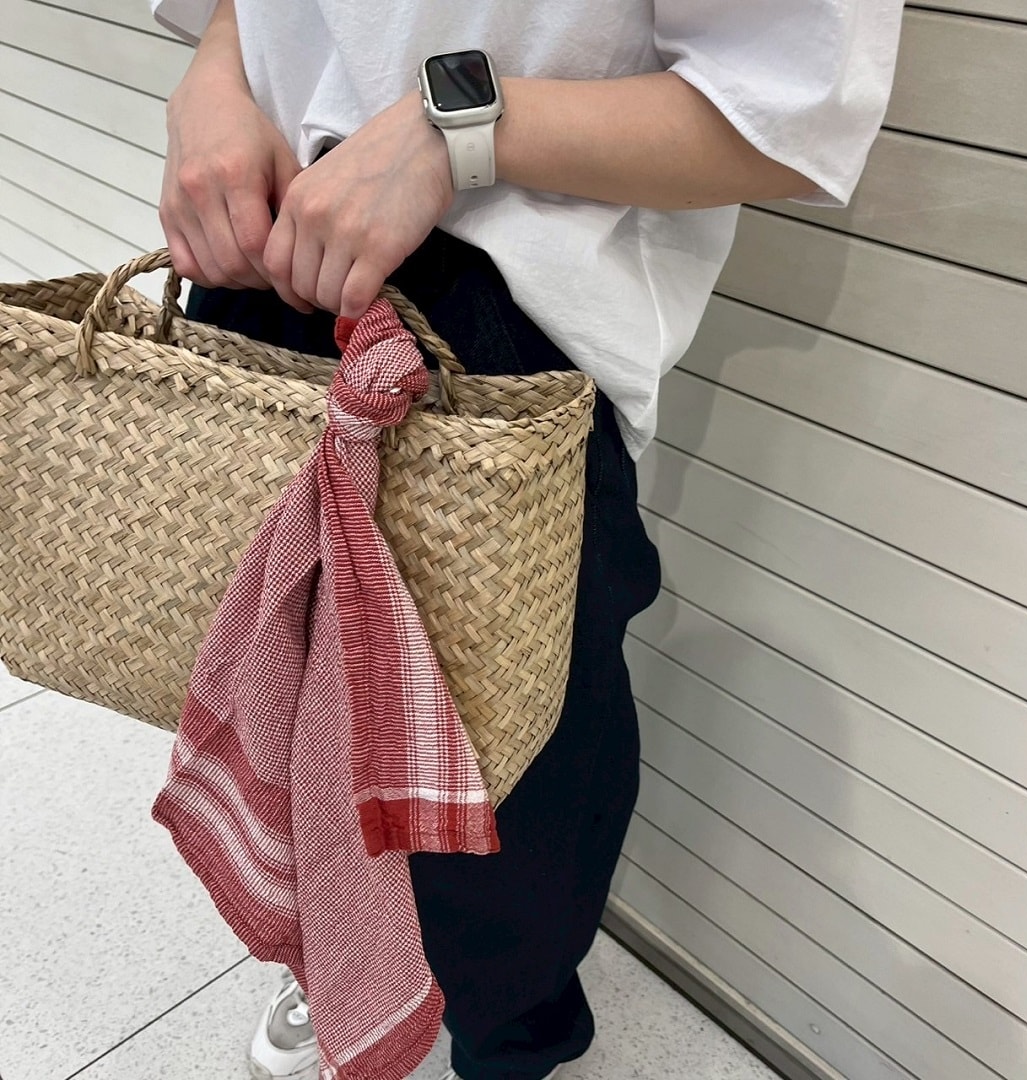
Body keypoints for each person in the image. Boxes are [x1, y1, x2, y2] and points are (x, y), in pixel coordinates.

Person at [149, 2, 903, 1078]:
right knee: (288, 688)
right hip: (263, 243)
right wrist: (213, 90)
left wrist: (450, 129)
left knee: (517, 766)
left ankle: (512, 1036)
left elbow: (787, 111)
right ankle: (340, 955)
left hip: (496, 298)